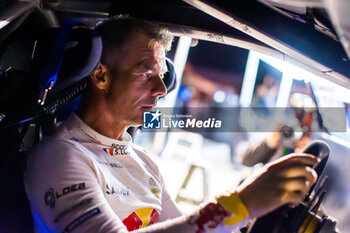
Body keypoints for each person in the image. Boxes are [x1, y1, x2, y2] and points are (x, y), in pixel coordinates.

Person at [25, 17, 320, 233]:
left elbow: (188, 227)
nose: (162, 89)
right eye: (146, 74)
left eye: (162, 75)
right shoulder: (61, 156)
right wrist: (238, 206)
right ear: (101, 76)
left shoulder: (143, 162)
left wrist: (250, 214)